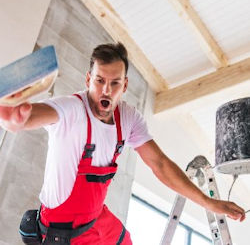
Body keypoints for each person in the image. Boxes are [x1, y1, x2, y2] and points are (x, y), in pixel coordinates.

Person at [0, 42, 245, 244]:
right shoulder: (72, 110)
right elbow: (26, 118)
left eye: (115, 83)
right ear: (88, 79)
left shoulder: (127, 119)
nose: (106, 90)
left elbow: (159, 164)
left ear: (125, 84)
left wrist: (209, 202)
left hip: (98, 221)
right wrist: (12, 118)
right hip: (63, 232)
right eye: (99, 81)